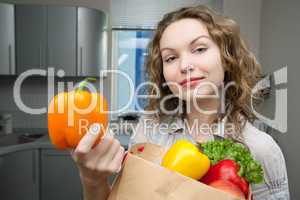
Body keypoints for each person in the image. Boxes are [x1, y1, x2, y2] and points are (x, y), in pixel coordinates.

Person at [71, 5, 290, 200]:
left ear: (227, 57)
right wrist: (93, 181)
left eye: (200, 49)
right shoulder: (149, 131)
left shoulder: (261, 149)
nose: (184, 65)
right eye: (171, 58)